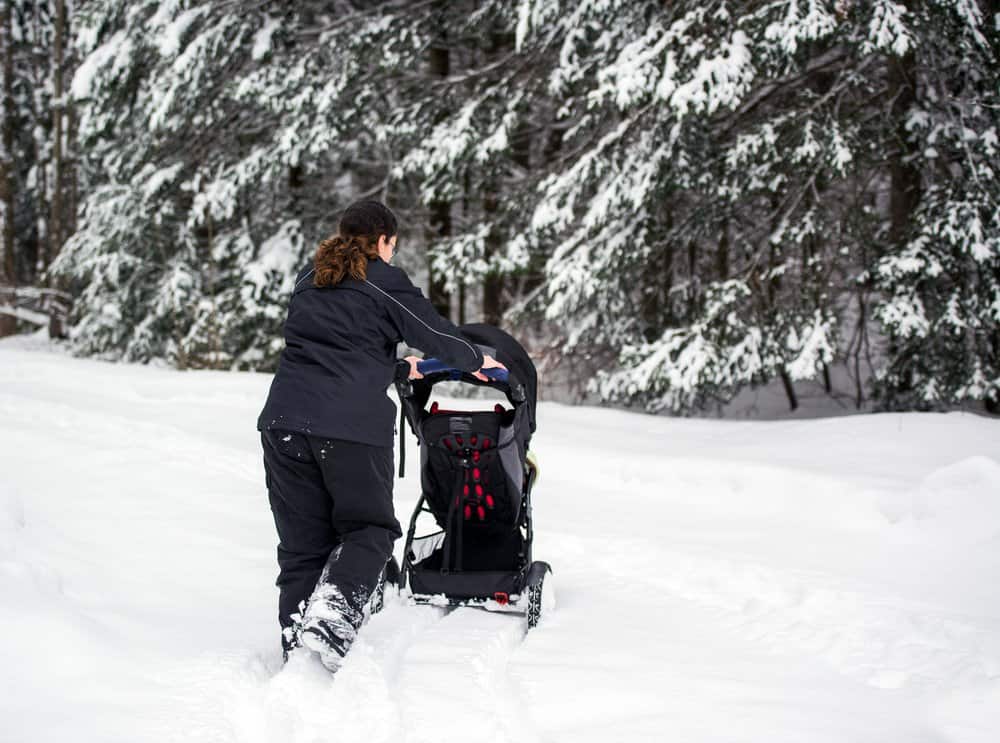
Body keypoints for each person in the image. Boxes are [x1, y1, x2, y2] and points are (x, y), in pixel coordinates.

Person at [257, 199, 505, 670]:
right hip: (349, 429)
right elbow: (436, 334)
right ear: (384, 241)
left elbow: (331, 348)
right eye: (392, 243)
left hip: (283, 425)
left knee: (302, 546)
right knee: (369, 530)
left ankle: (298, 642)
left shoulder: (311, 279)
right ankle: (331, 620)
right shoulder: (383, 278)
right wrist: (478, 361)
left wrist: (394, 366)